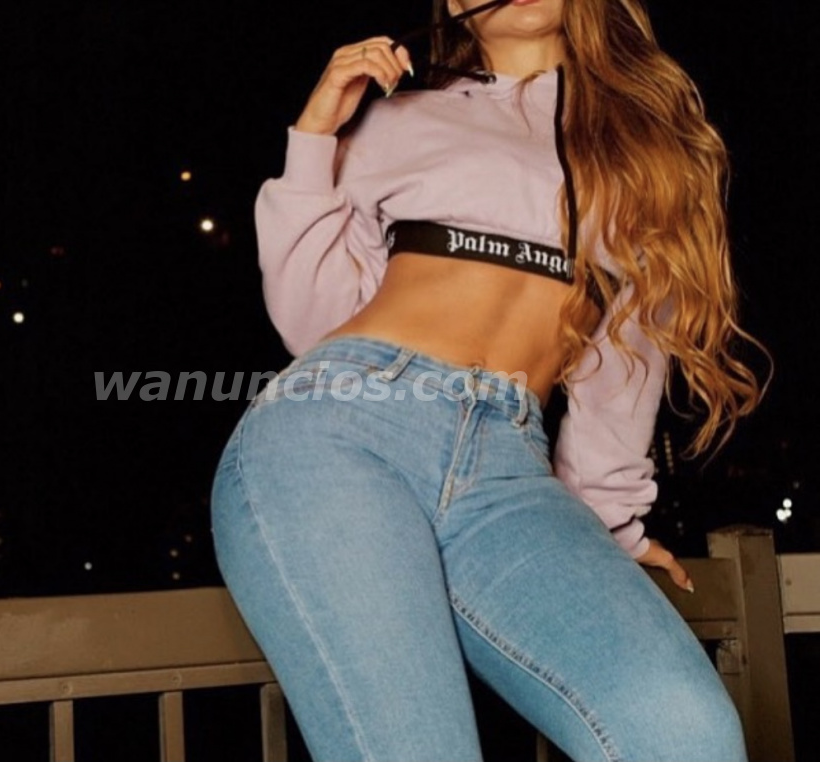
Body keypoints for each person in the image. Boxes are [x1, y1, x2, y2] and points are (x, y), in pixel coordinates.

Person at [211, 1, 764, 759]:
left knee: (685, 731)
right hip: (341, 429)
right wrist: (313, 140)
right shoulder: (396, 121)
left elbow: (626, 363)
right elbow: (315, 322)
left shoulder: (646, 153)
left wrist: (612, 525)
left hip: (509, 474)